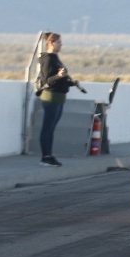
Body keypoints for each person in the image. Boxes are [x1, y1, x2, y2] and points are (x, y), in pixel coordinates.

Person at [37, 32, 83, 166]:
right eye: (59, 43)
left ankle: (49, 155)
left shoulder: (55, 58)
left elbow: (58, 80)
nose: (61, 45)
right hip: (51, 98)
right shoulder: (48, 59)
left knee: (51, 129)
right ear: (51, 43)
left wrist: (70, 83)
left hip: (58, 98)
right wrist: (58, 76)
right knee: (47, 128)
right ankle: (45, 156)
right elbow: (47, 81)